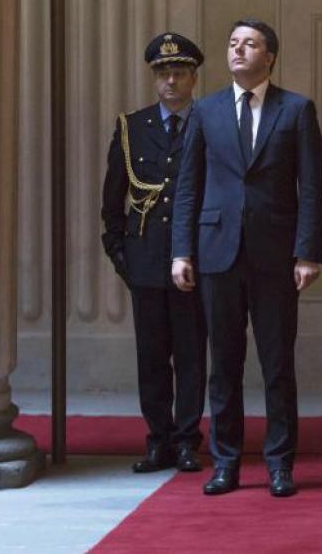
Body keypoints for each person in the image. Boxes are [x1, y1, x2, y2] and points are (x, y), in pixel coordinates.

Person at [171, 18, 322, 498]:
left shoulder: (296, 110)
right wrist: (181, 251)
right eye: (233, 43)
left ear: (269, 56)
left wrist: (307, 252)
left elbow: (311, 188)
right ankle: (226, 463)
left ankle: (280, 465)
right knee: (224, 366)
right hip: (217, 254)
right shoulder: (206, 111)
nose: (238, 50)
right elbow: (188, 186)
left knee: (277, 365)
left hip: (276, 257)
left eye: (250, 44)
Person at [101, 32, 208, 474]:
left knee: (190, 355)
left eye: (179, 73)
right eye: (163, 73)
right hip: (144, 259)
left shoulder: (208, 122)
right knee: (151, 357)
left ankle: (187, 440)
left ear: (193, 78)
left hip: (193, 260)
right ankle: (158, 440)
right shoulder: (133, 127)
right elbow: (113, 200)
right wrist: (120, 254)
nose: (170, 81)